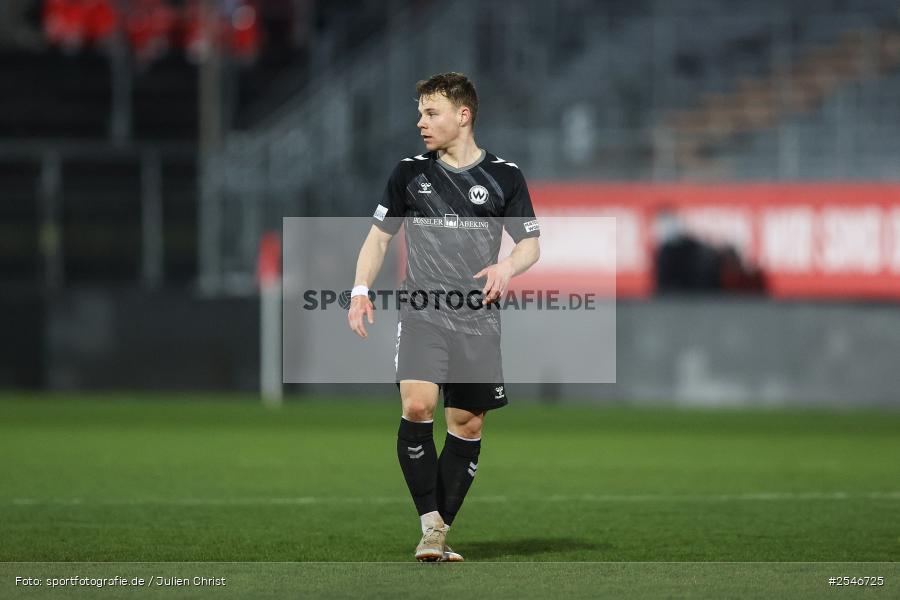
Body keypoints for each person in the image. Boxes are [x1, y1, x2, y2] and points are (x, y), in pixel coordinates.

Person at [347, 72, 541, 562]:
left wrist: (506, 266)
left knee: (467, 425)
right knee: (417, 407)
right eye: (420, 113)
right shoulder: (409, 173)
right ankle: (429, 524)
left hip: (477, 319)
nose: (420, 123)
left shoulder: (506, 177)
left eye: (430, 113)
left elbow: (531, 245)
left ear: (463, 115)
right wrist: (359, 289)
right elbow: (379, 237)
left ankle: (440, 531)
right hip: (423, 312)